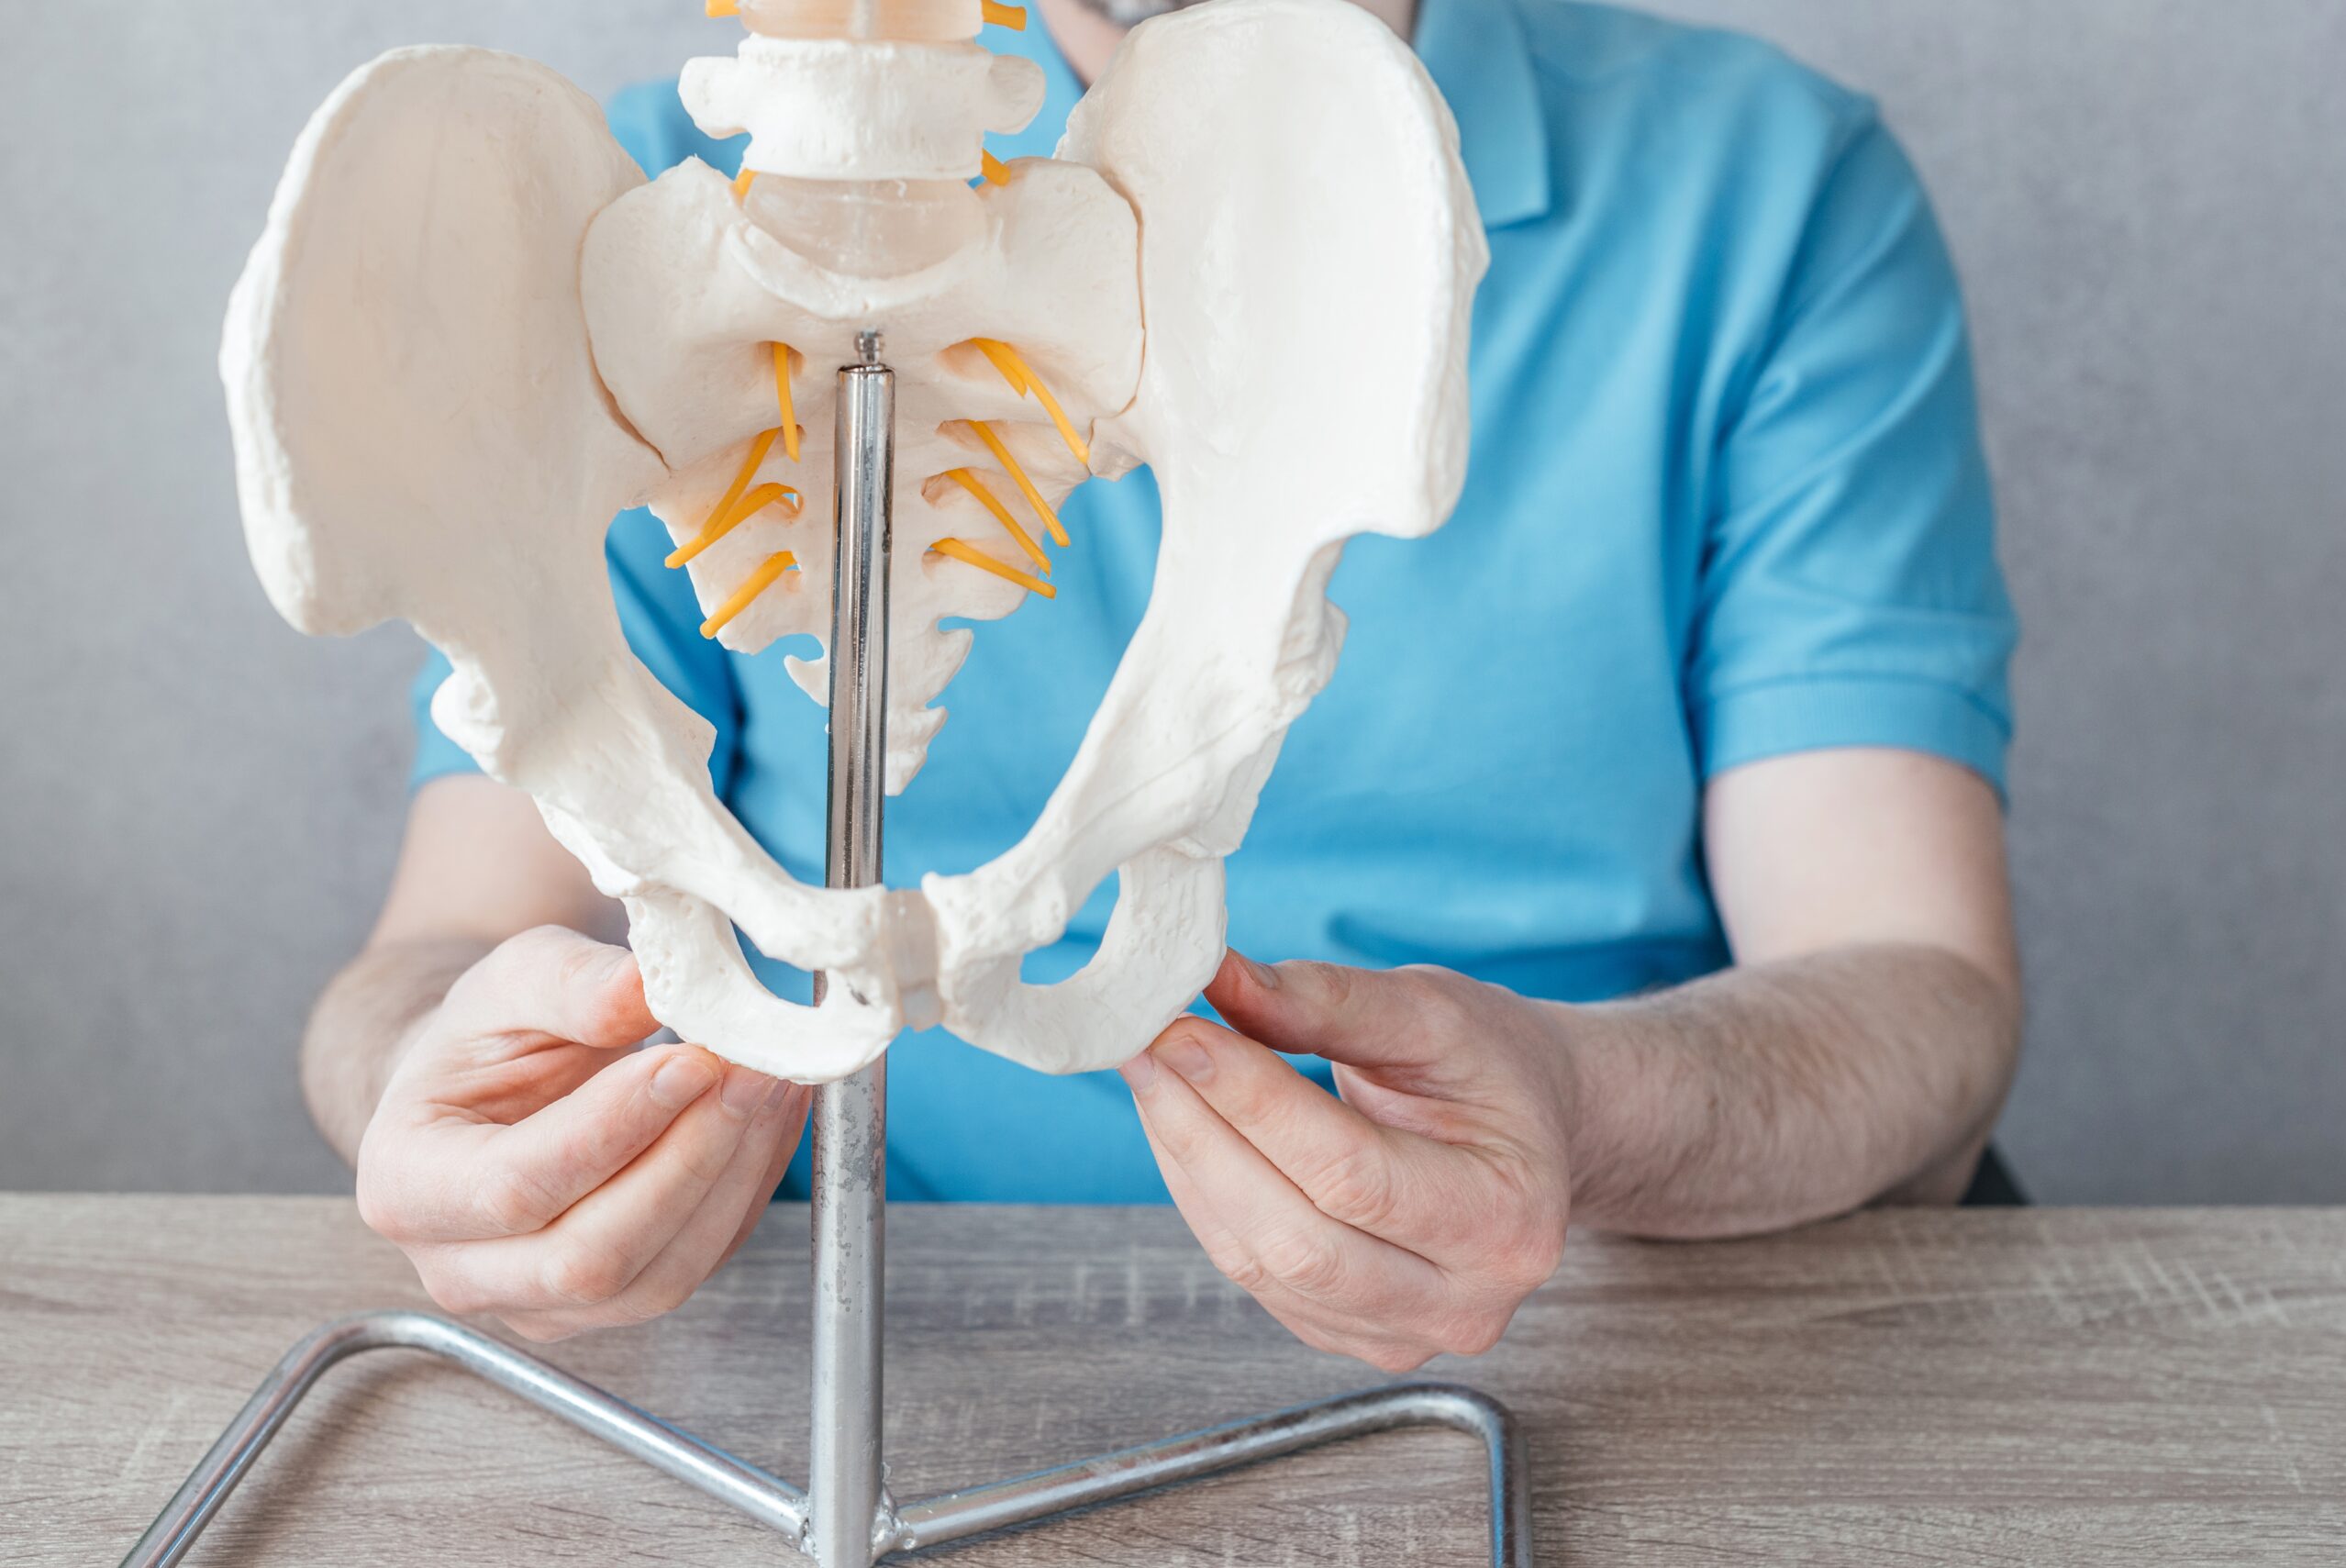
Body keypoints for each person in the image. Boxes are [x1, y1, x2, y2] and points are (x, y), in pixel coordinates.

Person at [304, 0, 2022, 1369]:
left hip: (1602, 1334)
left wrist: (1584, 1113)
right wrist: (447, 1119)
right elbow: (431, 956)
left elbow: (1918, 996)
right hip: (817, 1325)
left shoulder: (1765, 193)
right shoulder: (640, 218)